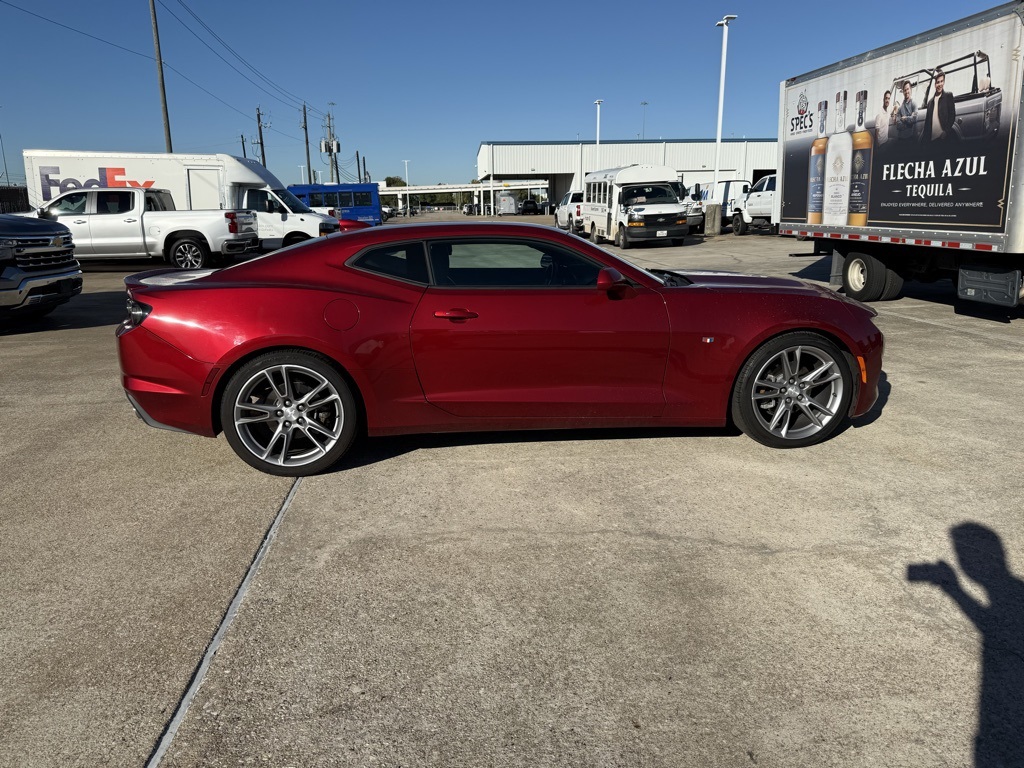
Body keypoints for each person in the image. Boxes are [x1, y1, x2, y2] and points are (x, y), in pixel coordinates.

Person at [921, 69, 957, 141]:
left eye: (941, 81)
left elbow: (952, 116)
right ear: (935, 84)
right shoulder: (930, 102)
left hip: (944, 138)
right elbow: (927, 124)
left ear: (944, 82)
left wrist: (946, 132)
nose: (940, 84)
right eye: (938, 82)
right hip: (932, 141)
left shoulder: (948, 96)